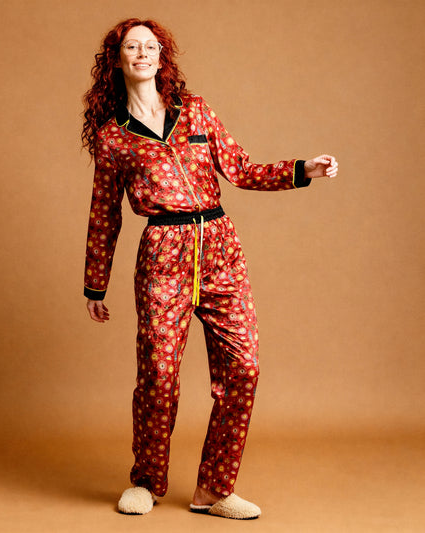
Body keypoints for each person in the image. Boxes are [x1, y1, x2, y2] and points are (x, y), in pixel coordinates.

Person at [82, 18, 338, 520]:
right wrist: (95, 285)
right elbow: (104, 213)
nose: (143, 53)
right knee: (158, 375)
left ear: (162, 56)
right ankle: (146, 481)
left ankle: (214, 490)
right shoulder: (113, 137)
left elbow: (241, 169)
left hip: (221, 250)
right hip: (163, 257)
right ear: (117, 59)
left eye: (151, 46)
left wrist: (302, 169)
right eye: (132, 46)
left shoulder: (196, 110)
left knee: (243, 370)